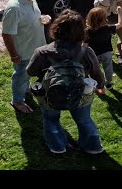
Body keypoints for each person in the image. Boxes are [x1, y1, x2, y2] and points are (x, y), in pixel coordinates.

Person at [26, 10, 105, 154]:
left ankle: (57, 147)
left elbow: (30, 72)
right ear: (81, 31)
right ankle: (93, 147)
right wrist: (100, 85)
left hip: (49, 93)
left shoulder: (42, 52)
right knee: (84, 120)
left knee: (51, 120)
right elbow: (97, 74)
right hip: (81, 93)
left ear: (56, 29)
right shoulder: (86, 51)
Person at [1, 0, 51, 114]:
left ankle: (25, 88)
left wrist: (41, 18)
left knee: (26, 75)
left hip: (35, 49)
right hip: (23, 53)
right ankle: (17, 101)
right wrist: (14, 55)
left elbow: (29, 18)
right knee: (20, 76)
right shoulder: (14, 8)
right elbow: (6, 34)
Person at [85, 5, 122, 90]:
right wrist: (120, 12)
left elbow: (84, 44)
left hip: (93, 55)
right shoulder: (107, 28)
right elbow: (120, 24)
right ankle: (108, 83)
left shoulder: (87, 31)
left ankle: (95, 84)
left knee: (95, 70)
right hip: (106, 53)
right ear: (104, 18)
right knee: (108, 68)